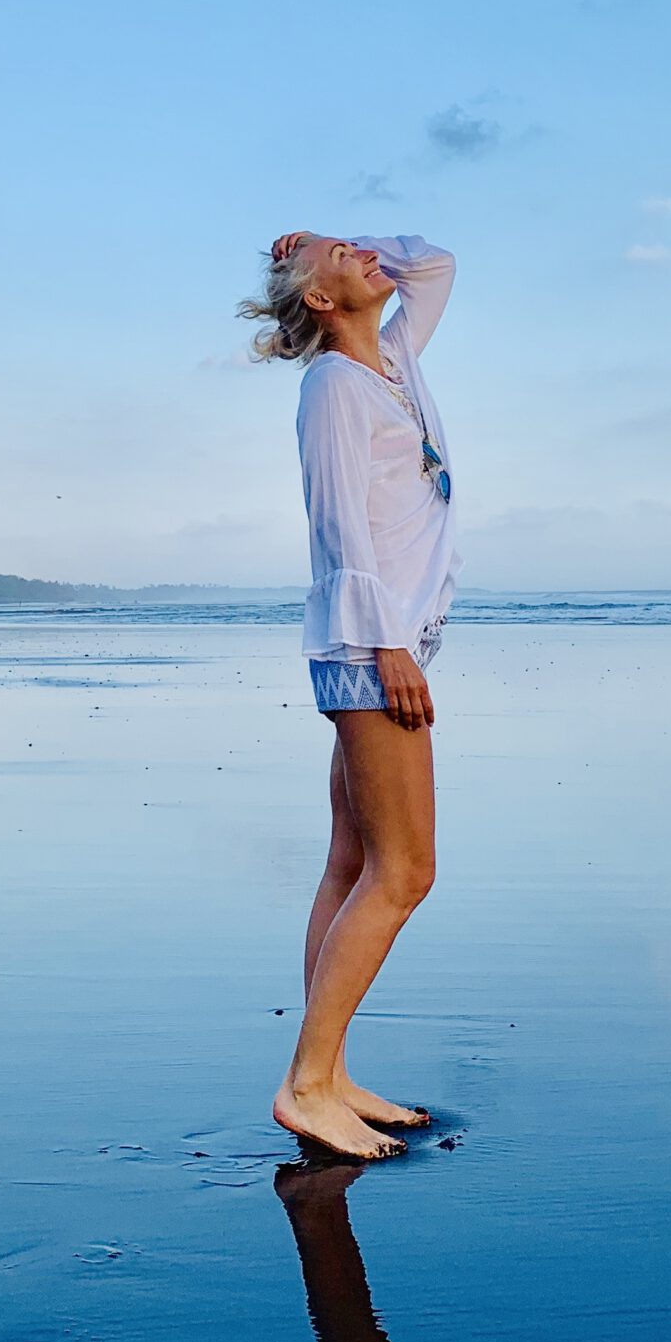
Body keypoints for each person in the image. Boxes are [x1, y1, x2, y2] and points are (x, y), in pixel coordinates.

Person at [241, 232, 459, 1160]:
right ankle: (307, 1082)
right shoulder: (333, 386)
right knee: (406, 870)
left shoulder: (392, 363)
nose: (369, 252)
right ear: (322, 303)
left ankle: (330, 1071)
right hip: (371, 649)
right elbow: (336, 527)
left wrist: (340, 244)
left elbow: (436, 263)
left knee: (350, 860)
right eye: (344, 255)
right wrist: (388, 648)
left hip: (378, 648)